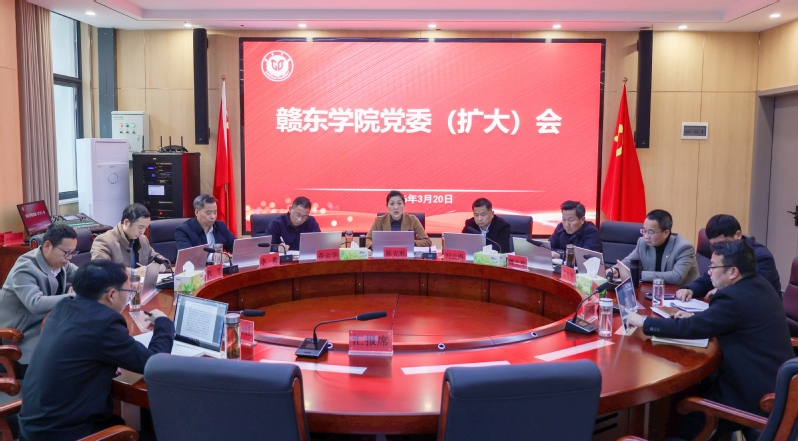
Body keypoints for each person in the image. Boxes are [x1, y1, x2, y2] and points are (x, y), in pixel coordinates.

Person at [626, 240, 793, 439]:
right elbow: (727, 321)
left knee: (685, 415)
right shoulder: (760, 285)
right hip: (777, 386)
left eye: (713, 267)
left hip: (753, 398)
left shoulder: (732, 298)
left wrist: (644, 322)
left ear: (733, 272)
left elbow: (691, 329)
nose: (709, 272)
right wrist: (699, 319)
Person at [18, 260, 174, 440]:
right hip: (69, 434)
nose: (129, 297)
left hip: (33, 429)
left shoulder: (63, 307)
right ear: (112, 294)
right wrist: (164, 323)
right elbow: (153, 363)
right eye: (129, 292)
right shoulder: (104, 323)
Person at [0, 223, 78, 370]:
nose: (69, 258)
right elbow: (35, 303)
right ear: (47, 246)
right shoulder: (25, 268)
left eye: (73, 253)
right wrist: (73, 297)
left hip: (46, 324)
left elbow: (84, 276)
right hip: (22, 335)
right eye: (67, 252)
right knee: (69, 358)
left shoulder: (61, 262)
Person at [676, 214, 781, 301]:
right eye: (714, 245)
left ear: (738, 235)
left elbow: (756, 290)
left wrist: (723, 291)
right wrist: (690, 289)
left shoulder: (761, 257)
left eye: (722, 243)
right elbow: (707, 280)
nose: (718, 248)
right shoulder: (720, 252)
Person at [607, 209, 699, 286]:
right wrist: (616, 269)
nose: (646, 236)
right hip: (655, 293)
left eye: (650, 232)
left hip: (684, 296)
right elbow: (629, 261)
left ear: (666, 233)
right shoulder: (643, 242)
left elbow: (676, 277)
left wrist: (639, 275)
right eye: (644, 230)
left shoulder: (684, 248)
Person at [91, 203, 166, 275]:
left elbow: (155, 257)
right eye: (140, 227)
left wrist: (163, 264)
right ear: (126, 222)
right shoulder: (104, 241)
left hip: (142, 283)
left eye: (145, 228)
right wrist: (133, 273)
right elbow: (101, 270)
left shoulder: (143, 239)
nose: (142, 232)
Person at [366, 190, 431, 248]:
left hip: (406, 256)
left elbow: (427, 241)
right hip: (385, 256)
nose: (396, 207)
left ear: (404, 204)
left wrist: (411, 243)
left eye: (399, 203)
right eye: (392, 204)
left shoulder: (413, 220)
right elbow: (367, 239)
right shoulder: (379, 221)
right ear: (387, 206)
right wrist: (374, 247)